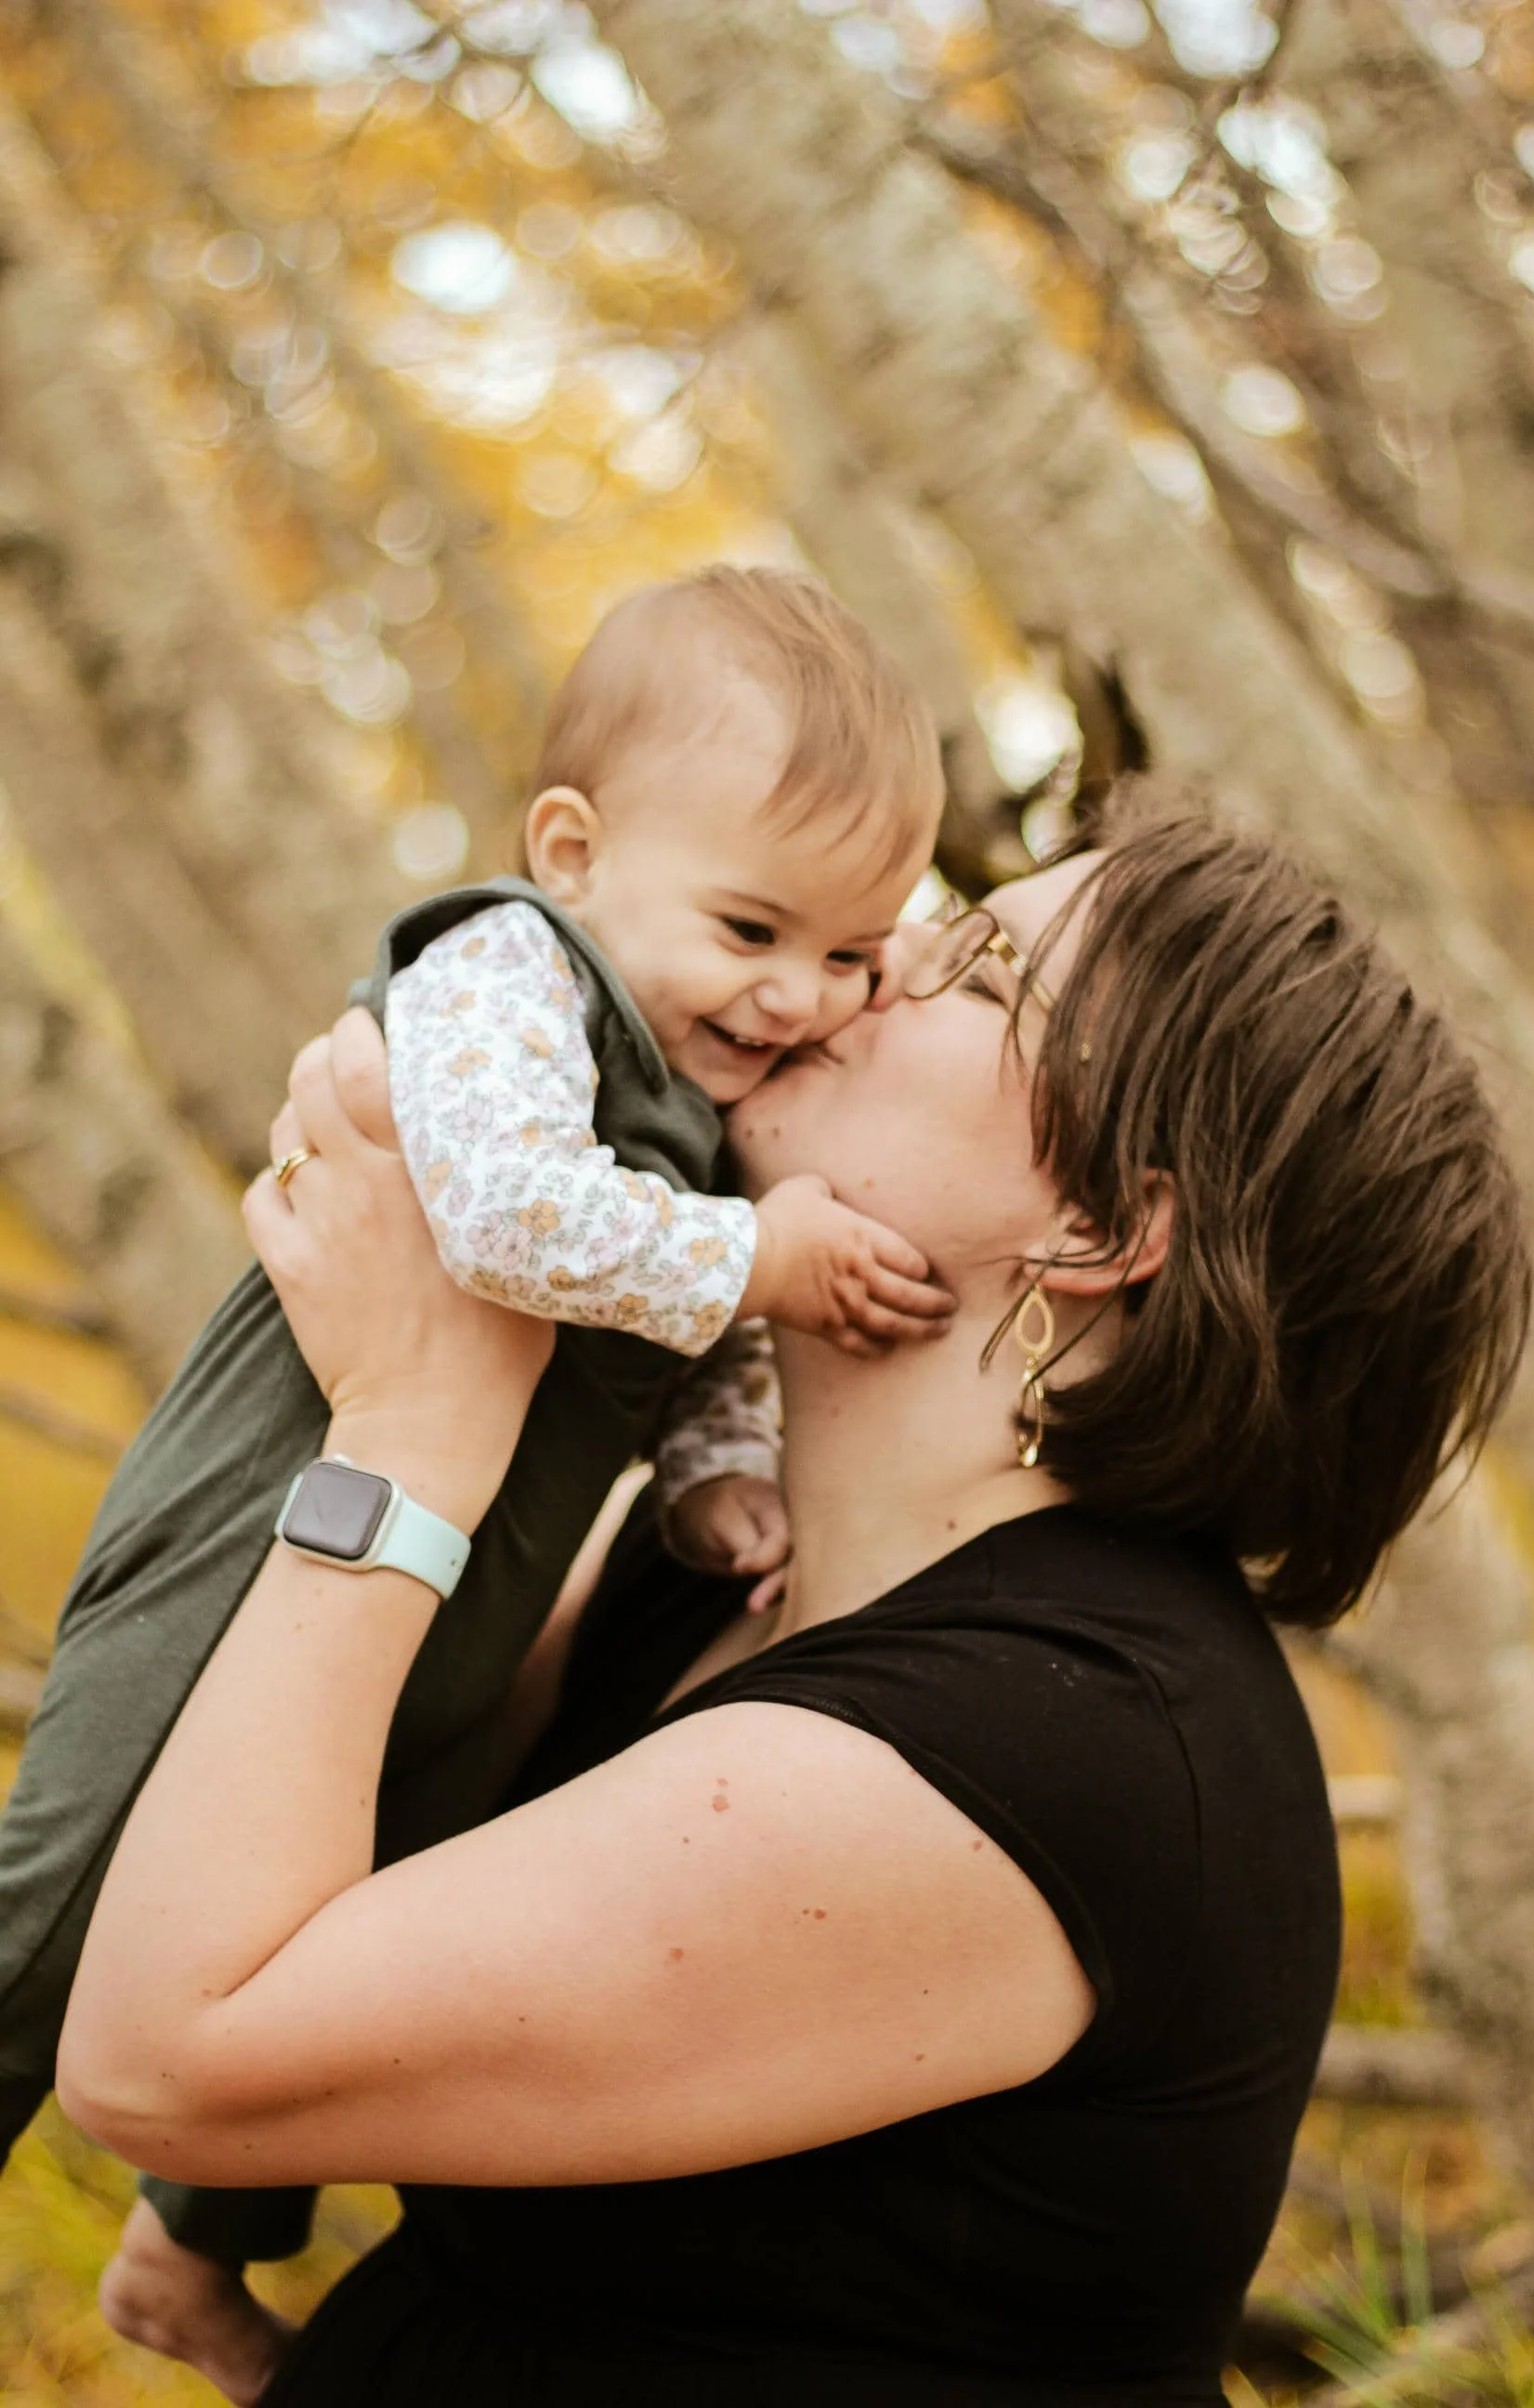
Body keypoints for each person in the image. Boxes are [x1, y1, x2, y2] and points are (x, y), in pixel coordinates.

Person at [60, 796, 1531, 2408]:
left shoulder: (1059, 1747)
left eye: (982, 974)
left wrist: (410, 1432)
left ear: (1105, 1228)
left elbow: (165, 2059)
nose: (884, 954)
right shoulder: (706, 1568)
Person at [0, 566, 951, 2281]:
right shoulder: (515, 971)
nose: (802, 996)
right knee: (65, 1880)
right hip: (267, 1526)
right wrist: (762, 1256)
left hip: (462, 1582)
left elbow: (693, 1343)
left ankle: (190, 2268)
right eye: (753, 932)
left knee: (330, 1924)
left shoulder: (719, 1096)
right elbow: (506, 1213)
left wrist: (727, 1469)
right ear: (576, 850)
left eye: (850, 956)